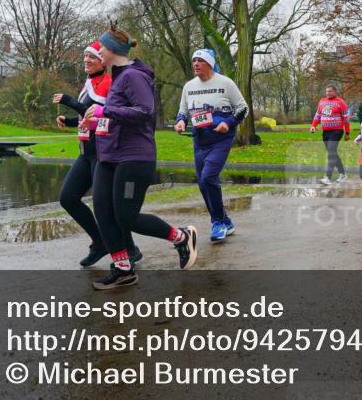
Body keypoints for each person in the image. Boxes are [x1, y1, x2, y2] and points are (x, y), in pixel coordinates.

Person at [81, 25, 198, 290]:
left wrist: (104, 112)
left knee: (126, 217)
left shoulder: (134, 76)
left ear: (112, 50)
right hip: (109, 156)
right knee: (103, 211)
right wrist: (97, 123)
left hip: (134, 158)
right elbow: (118, 116)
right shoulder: (118, 77)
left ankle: (181, 237)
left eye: (102, 47)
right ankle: (123, 269)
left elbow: (145, 112)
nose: (98, 52)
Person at [54, 41, 141, 268]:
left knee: (108, 204)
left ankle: (130, 249)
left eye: (92, 56)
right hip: (86, 153)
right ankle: (100, 242)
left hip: (103, 153)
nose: (87, 60)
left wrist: (69, 101)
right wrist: (70, 121)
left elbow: (104, 115)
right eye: (85, 56)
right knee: (68, 198)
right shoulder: (90, 83)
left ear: (103, 61)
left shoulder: (109, 83)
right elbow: (88, 117)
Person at [174, 48, 249, 243]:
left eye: (200, 61)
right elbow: (183, 111)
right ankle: (225, 220)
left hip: (221, 139)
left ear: (209, 63)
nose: (196, 64)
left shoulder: (225, 83)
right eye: (194, 61)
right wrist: (181, 122)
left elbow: (243, 108)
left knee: (208, 177)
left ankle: (218, 223)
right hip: (200, 140)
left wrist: (228, 123)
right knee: (203, 184)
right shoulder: (189, 86)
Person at [310, 84, 350, 185]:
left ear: (335, 92)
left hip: (336, 131)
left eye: (330, 91)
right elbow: (318, 115)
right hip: (326, 132)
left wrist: (347, 133)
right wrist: (313, 126)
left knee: (331, 153)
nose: (328, 93)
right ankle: (343, 173)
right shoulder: (322, 102)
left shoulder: (340, 102)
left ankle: (327, 177)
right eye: (327, 91)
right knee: (333, 153)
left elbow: (346, 119)